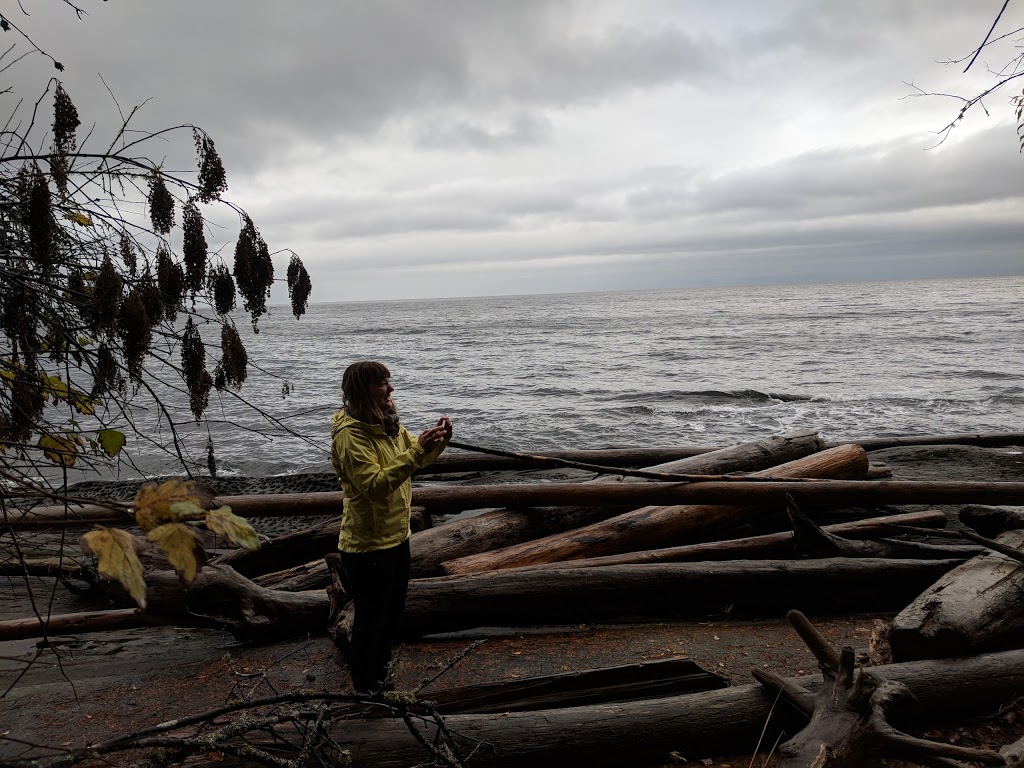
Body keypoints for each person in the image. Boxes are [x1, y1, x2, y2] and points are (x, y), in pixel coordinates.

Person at [330, 360, 452, 693]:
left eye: (389, 381)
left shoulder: (387, 425)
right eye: (382, 383)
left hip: (396, 536)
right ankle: (367, 689)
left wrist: (437, 442)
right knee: (371, 620)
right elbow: (375, 485)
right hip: (367, 545)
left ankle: (382, 679)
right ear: (363, 390)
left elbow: (416, 458)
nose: (391, 388)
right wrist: (416, 451)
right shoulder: (350, 437)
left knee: (391, 616)